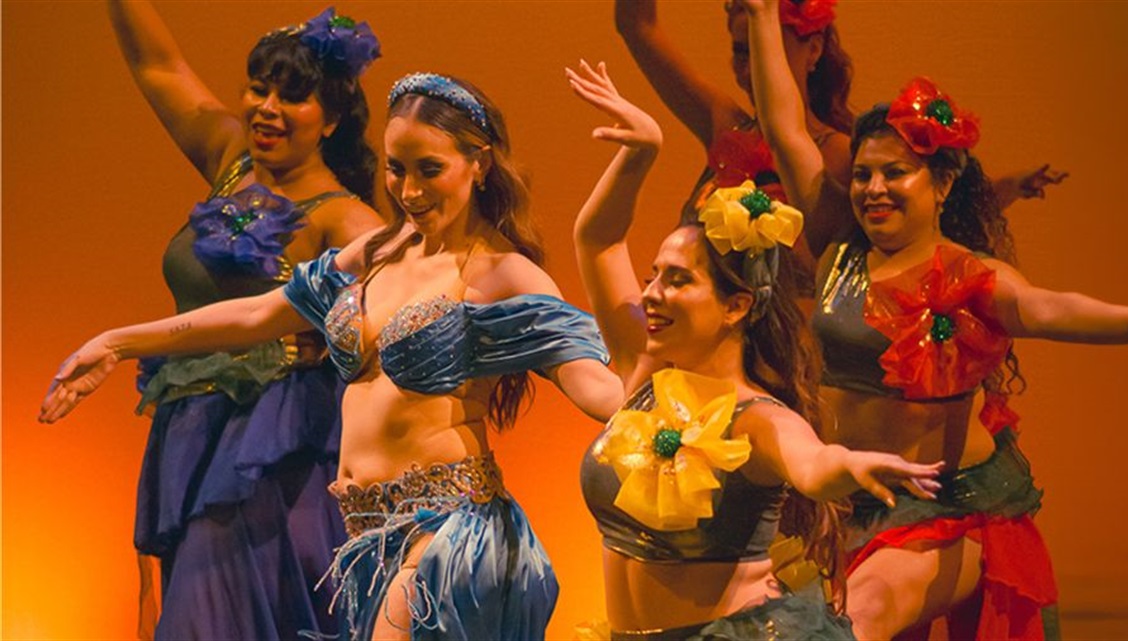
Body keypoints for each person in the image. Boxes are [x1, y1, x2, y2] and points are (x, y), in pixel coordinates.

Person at [43, 71, 624, 641]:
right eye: (396, 169)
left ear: (481, 164)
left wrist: (677, 407)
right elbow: (256, 315)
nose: (410, 191)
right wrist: (117, 342)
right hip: (364, 540)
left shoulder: (504, 273)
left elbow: (599, 390)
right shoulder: (373, 253)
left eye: (430, 171)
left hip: (445, 533)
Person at [741, 1, 1128, 638]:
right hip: (842, 505)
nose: (873, 188)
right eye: (864, 174)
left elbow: (1048, 309)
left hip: (944, 513)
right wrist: (763, 13)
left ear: (942, 183)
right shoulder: (837, 246)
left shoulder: (970, 274)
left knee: (846, 625)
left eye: (895, 173)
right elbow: (785, 125)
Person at [566, 60, 946, 641]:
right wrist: (641, 151)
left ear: (736, 306)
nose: (651, 293)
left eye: (676, 280)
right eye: (652, 275)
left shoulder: (759, 420)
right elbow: (596, 239)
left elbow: (814, 464)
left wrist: (852, 463)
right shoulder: (642, 368)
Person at [96, 3, 383, 638]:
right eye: (260, 87)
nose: (267, 108)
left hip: (267, 455)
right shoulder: (230, 160)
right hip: (188, 436)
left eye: (294, 97)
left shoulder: (348, 224)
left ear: (332, 119)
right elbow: (157, 64)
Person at [616, 0, 1067, 254]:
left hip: (789, 369)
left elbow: (924, 229)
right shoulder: (725, 125)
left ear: (813, 51)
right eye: (740, 50)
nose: (748, 68)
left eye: (761, 45)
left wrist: (1002, 190)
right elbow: (637, 26)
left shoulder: (844, 156)